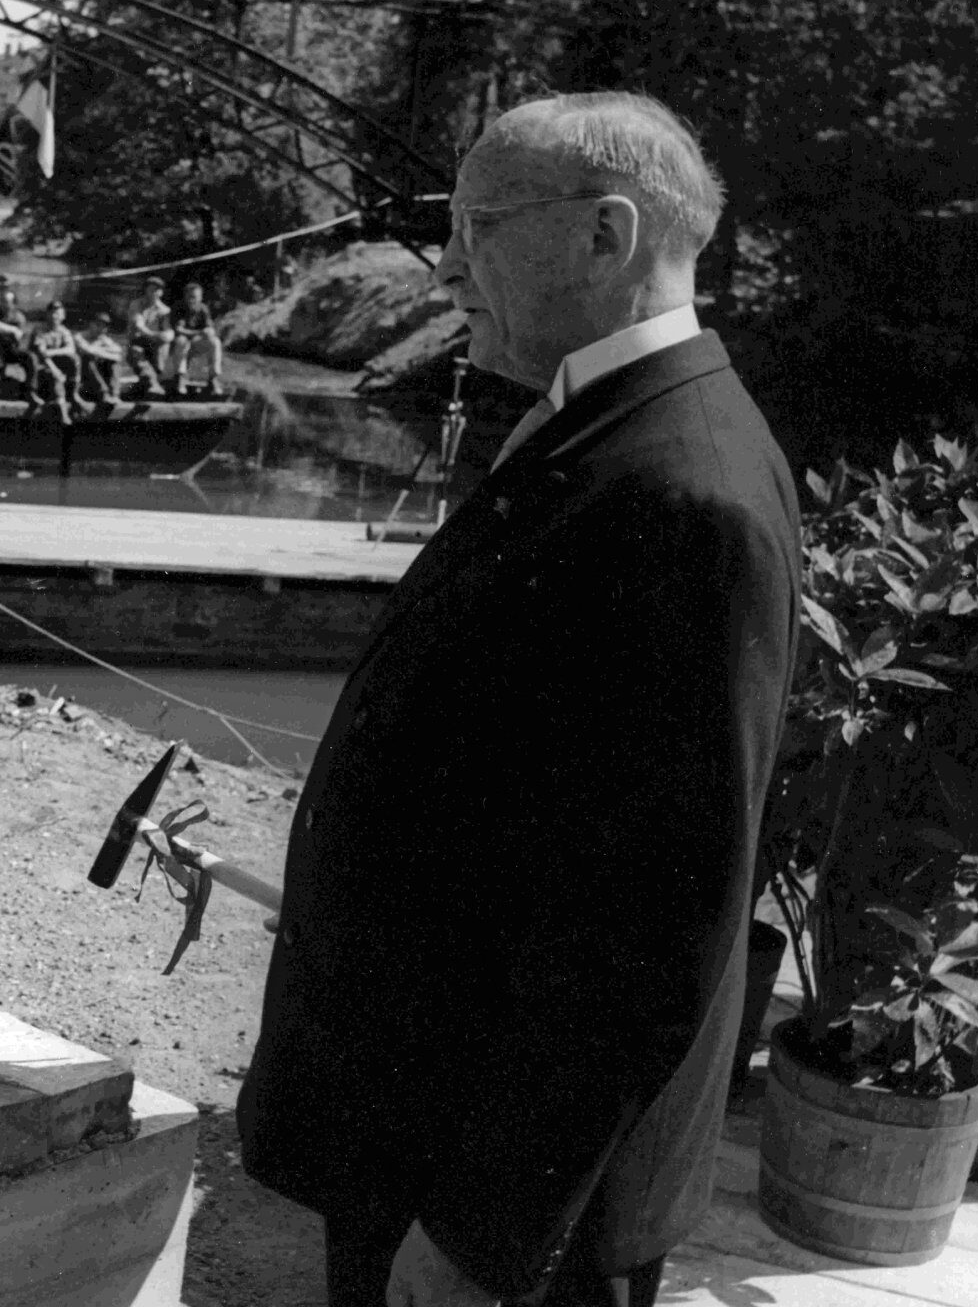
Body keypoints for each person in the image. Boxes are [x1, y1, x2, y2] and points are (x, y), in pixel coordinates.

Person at [236, 91, 800, 1307]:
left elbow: (649, 927)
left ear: (605, 236)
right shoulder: (603, 421)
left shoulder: (683, 491)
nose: (444, 271)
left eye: (477, 226)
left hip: (505, 1203)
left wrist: (485, 1236)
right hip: (427, 1125)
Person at [167, 281, 223, 398]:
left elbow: (209, 327)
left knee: (215, 342)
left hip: (194, 343)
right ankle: (180, 377)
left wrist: (209, 332)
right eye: (190, 297)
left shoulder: (203, 309)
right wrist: (199, 333)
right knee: (182, 340)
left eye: (195, 297)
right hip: (177, 345)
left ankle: (213, 378)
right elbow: (178, 330)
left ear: (200, 297)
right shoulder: (178, 307)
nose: (192, 300)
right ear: (185, 296)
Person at [25, 300, 82, 417]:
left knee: (75, 359)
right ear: (47, 315)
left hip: (57, 370)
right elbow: (41, 353)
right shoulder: (40, 330)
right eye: (52, 313)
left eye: (58, 313)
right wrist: (55, 370)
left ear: (63, 316)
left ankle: (73, 394)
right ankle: (63, 413)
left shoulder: (64, 331)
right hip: (41, 371)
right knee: (54, 375)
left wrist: (52, 352)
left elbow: (70, 349)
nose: (55, 316)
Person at [125, 277, 174, 396]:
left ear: (161, 292)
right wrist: (154, 335)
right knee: (136, 351)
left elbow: (169, 332)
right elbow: (139, 325)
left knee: (164, 343)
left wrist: (164, 336)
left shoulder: (165, 310)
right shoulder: (136, 304)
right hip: (137, 340)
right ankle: (152, 383)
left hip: (154, 344)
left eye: (157, 290)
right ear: (145, 290)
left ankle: (148, 384)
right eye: (150, 289)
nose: (153, 293)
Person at [72, 309, 124, 405]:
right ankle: (104, 393)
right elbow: (87, 351)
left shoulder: (103, 339)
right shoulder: (79, 336)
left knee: (114, 363)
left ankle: (114, 394)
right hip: (82, 377)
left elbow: (118, 353)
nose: (101, 329)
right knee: (88, 359)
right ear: (91, 324)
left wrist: (98, 351)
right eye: (98, 325)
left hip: (98, 377)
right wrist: (105, 351)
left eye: (104, 327)